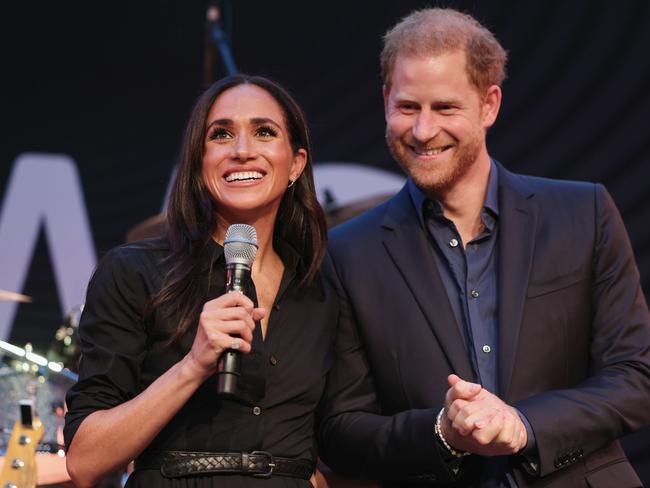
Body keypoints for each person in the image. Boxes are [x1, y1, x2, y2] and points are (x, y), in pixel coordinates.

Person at [318, 8, 650, 488]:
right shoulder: (348, 253)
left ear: (489, 104)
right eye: (408, 107)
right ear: (386, 100)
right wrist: (440, 431)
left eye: (446, 108)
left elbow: (635, 376)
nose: (423, 130)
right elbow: (340, 430)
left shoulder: (584, 213)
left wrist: (525, 425)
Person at [64, 74, 337, 487]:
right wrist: (192, 366)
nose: (243, 151)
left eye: (264, 132)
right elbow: (85, 462)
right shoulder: (134, 273)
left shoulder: (321, 289)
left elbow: (341, 435)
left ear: (296, 163)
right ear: (198, 160)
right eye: (221, 135)